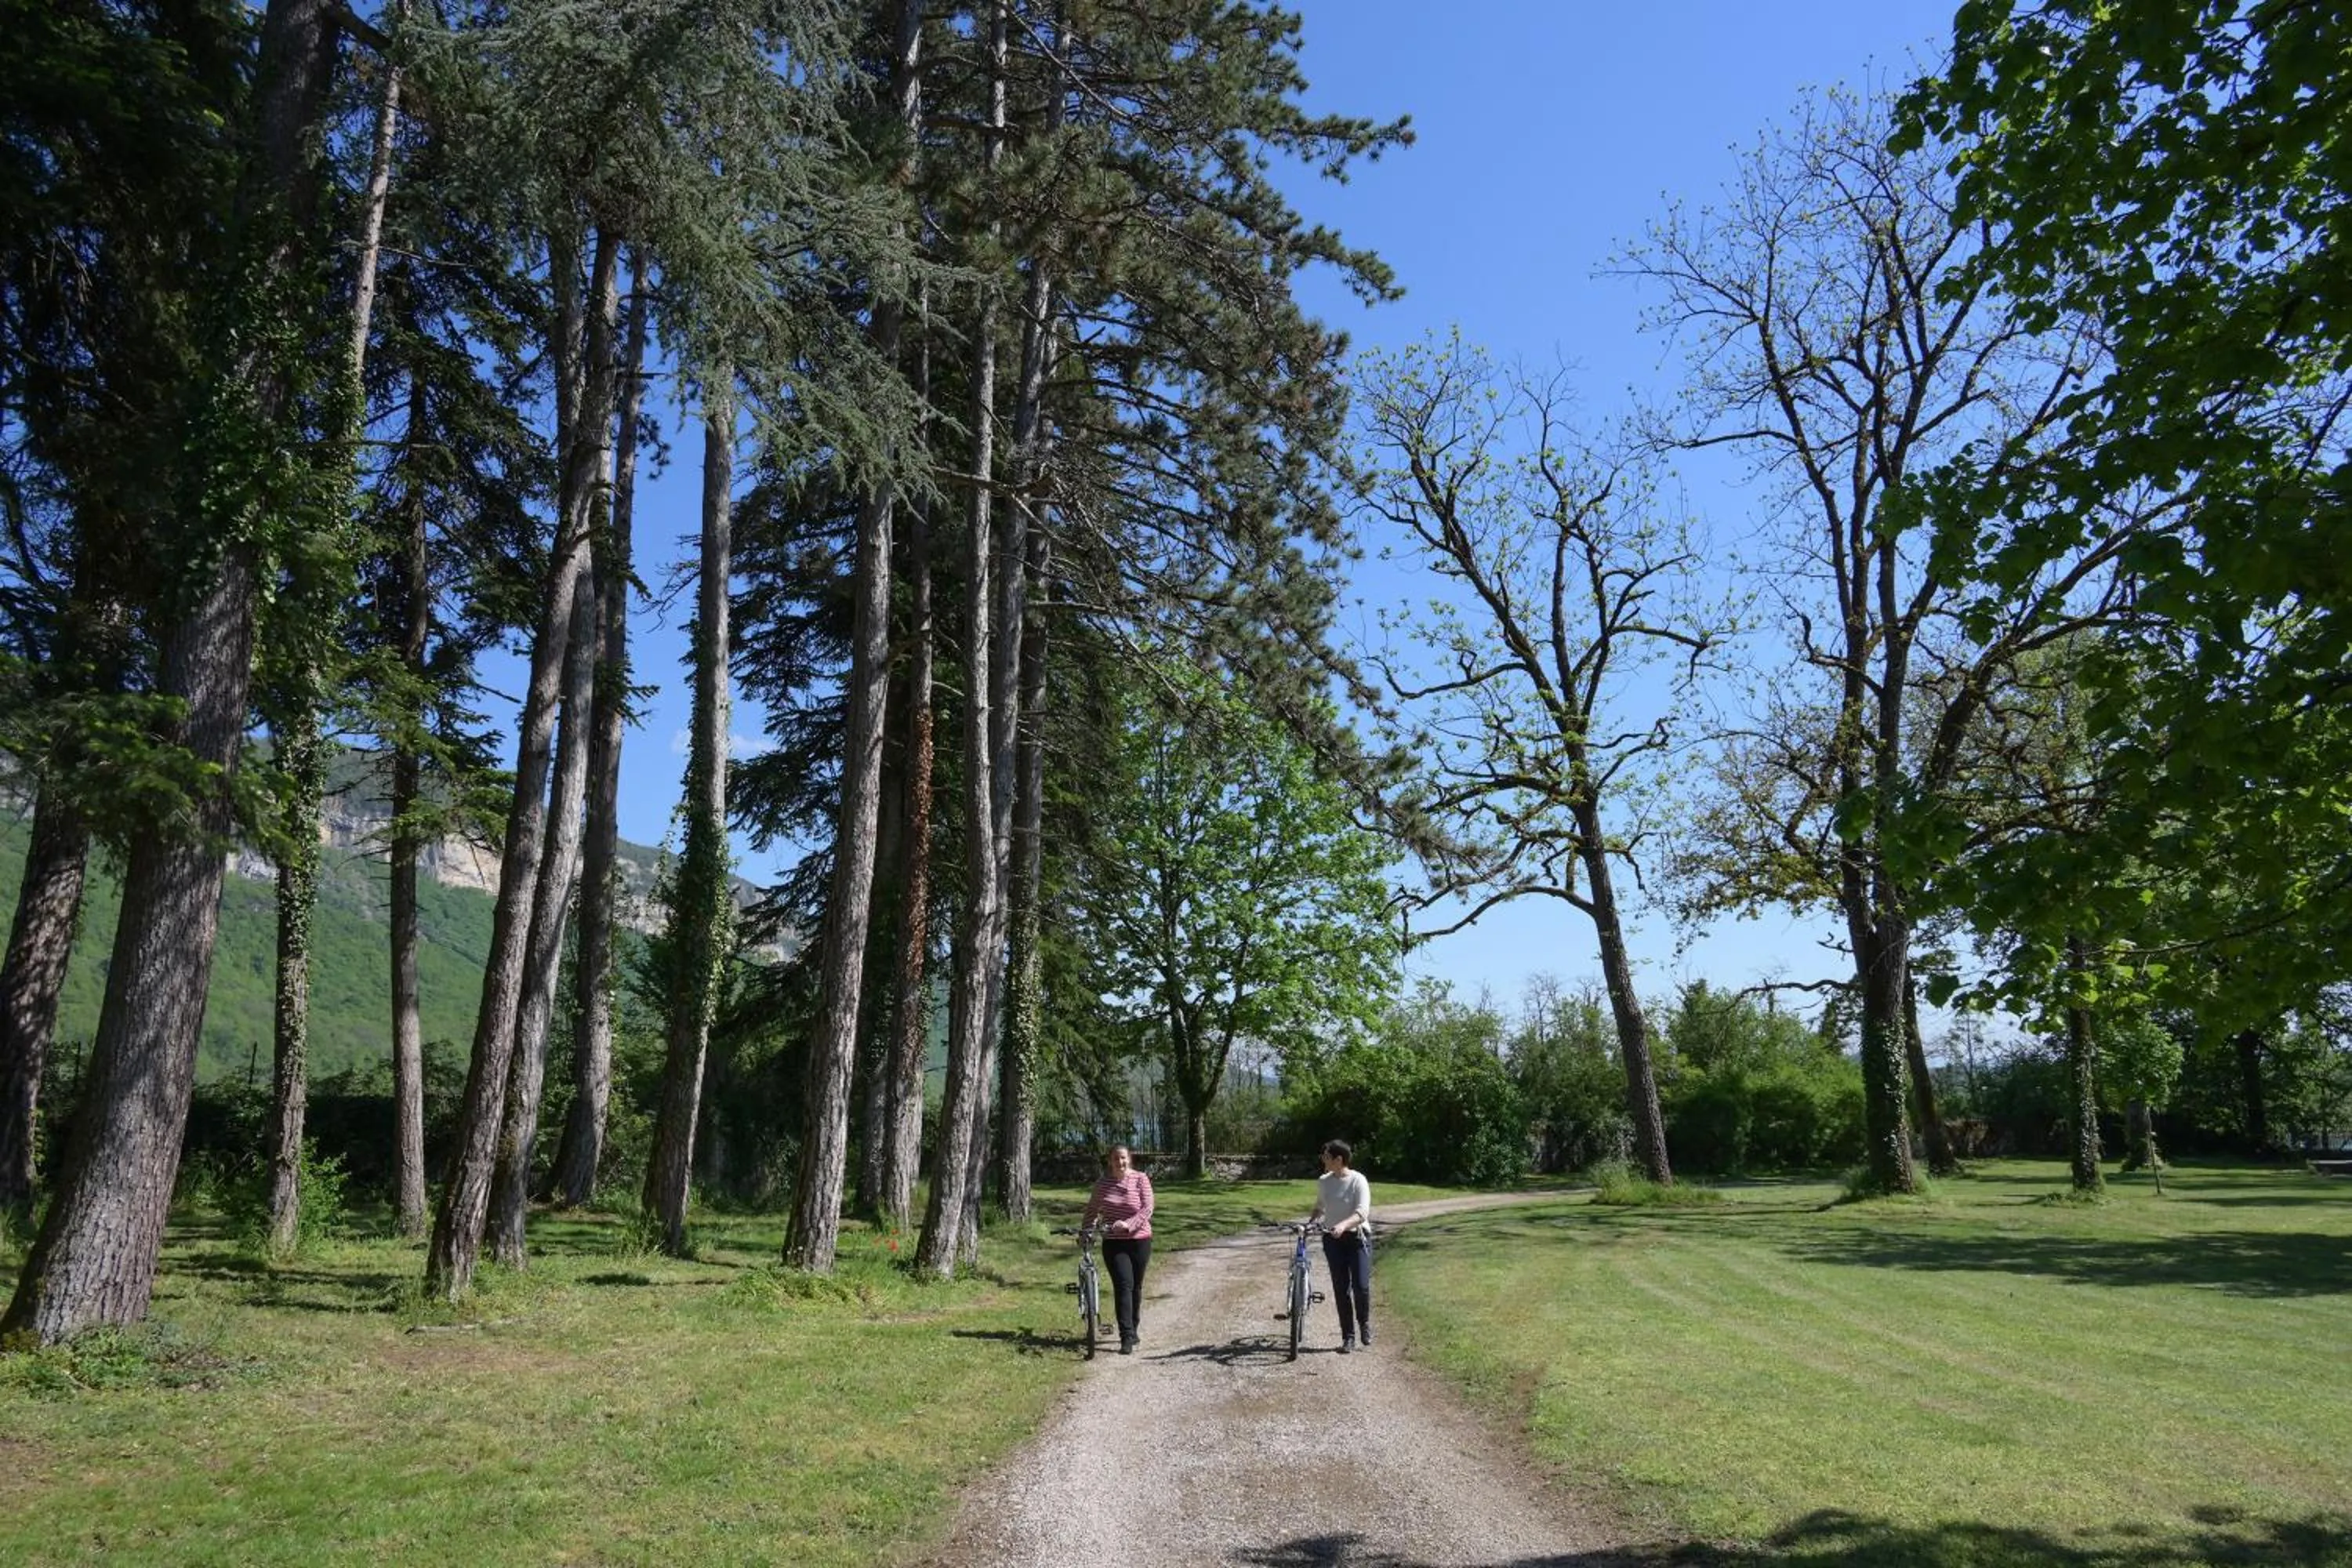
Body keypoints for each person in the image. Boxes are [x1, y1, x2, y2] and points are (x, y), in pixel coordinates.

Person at [1079, 1144, 1155, 1354]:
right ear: (1109, 1161)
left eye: (1122, 1158)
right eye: (1115, 1159)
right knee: (1123, 1285)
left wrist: (1128, 1224)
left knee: (1136, 1287)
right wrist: (1086, 1232)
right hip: (1113, 1242)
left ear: (1128, 1159)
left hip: (1140, 1240)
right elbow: (1093, 1210)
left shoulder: (1140, 1179)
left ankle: (1134, 1327)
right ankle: (1126, 1336)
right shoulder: (1103, 1184)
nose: (1119, 1162)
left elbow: (1147, 1208)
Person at [1306, 1138, 1373, 1352]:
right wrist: (1312, 1222)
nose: (1323, 1159)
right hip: (1332, 1241)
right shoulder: (1324, 1181)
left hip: (1357, 1239)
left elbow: (1362, 1213)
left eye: (1326, 1156)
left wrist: (1343, 1225)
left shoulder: (1358, 1180)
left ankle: (1364, 1322)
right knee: (1340, 1288)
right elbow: (1319, 1207)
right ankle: (1348, 1337)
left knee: (1361, 1286)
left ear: (1339, 1159)